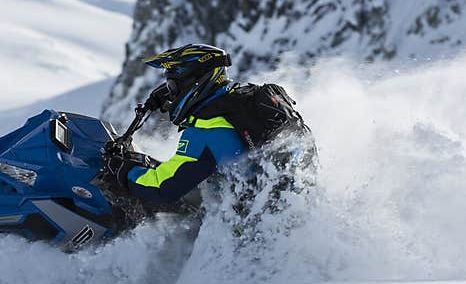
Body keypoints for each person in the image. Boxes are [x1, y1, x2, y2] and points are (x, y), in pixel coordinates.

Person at [104, 43, 316, 210]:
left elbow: (164, 187)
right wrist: (164, 94)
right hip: (283, 207)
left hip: (250, 230)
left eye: (172, 86)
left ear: (194, 82)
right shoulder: (240, 103)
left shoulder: (206, 130)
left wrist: (125, 170)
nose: (170, 93)